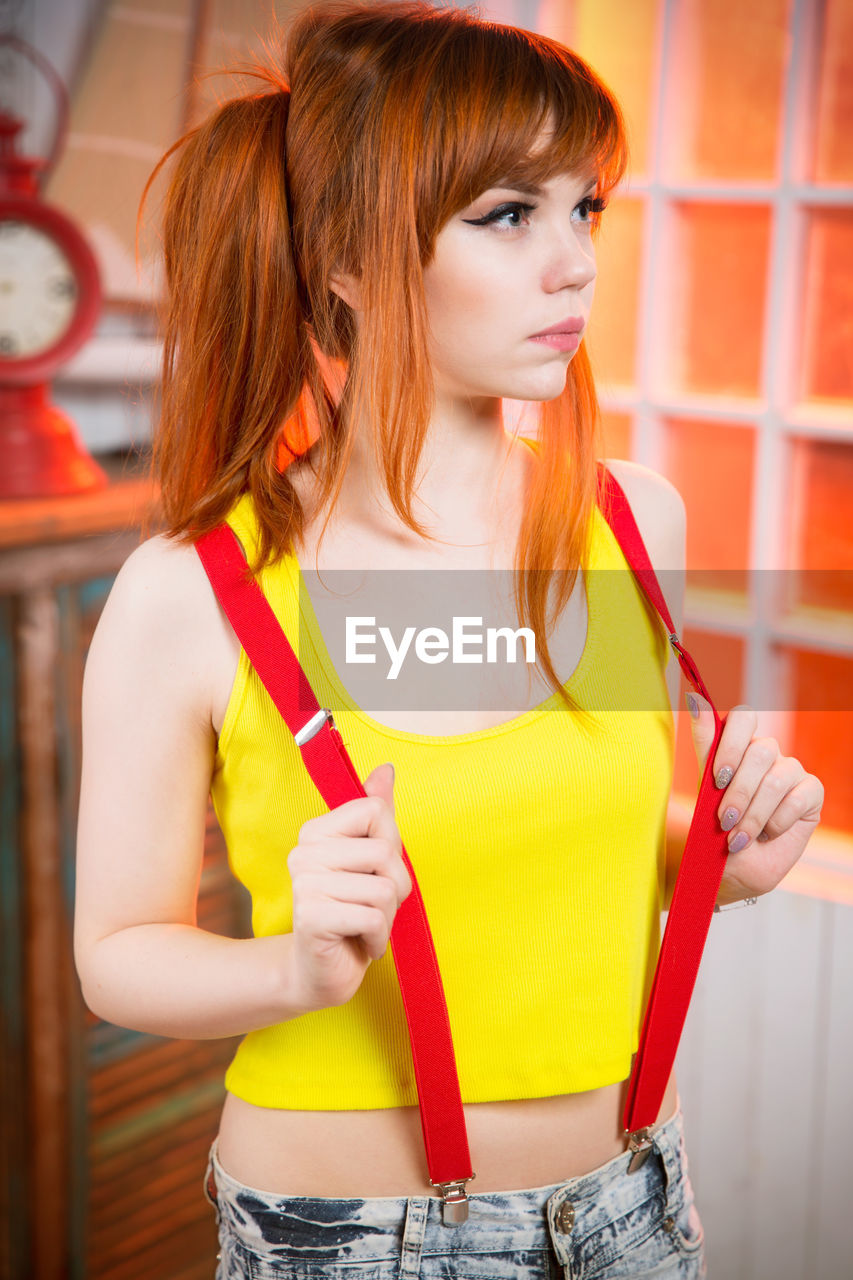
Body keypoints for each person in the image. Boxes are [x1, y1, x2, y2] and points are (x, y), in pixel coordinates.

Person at [73, 3, 825, 1277]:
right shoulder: (190, 595)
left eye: (582, 207)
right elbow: (116, 958)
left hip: (633, 1205)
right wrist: (291, 966)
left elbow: (578, 834)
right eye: (506, 214)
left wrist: (731, 853)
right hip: (351, 1240)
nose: (578, 261)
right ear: (350, 263)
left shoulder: (633, 520)